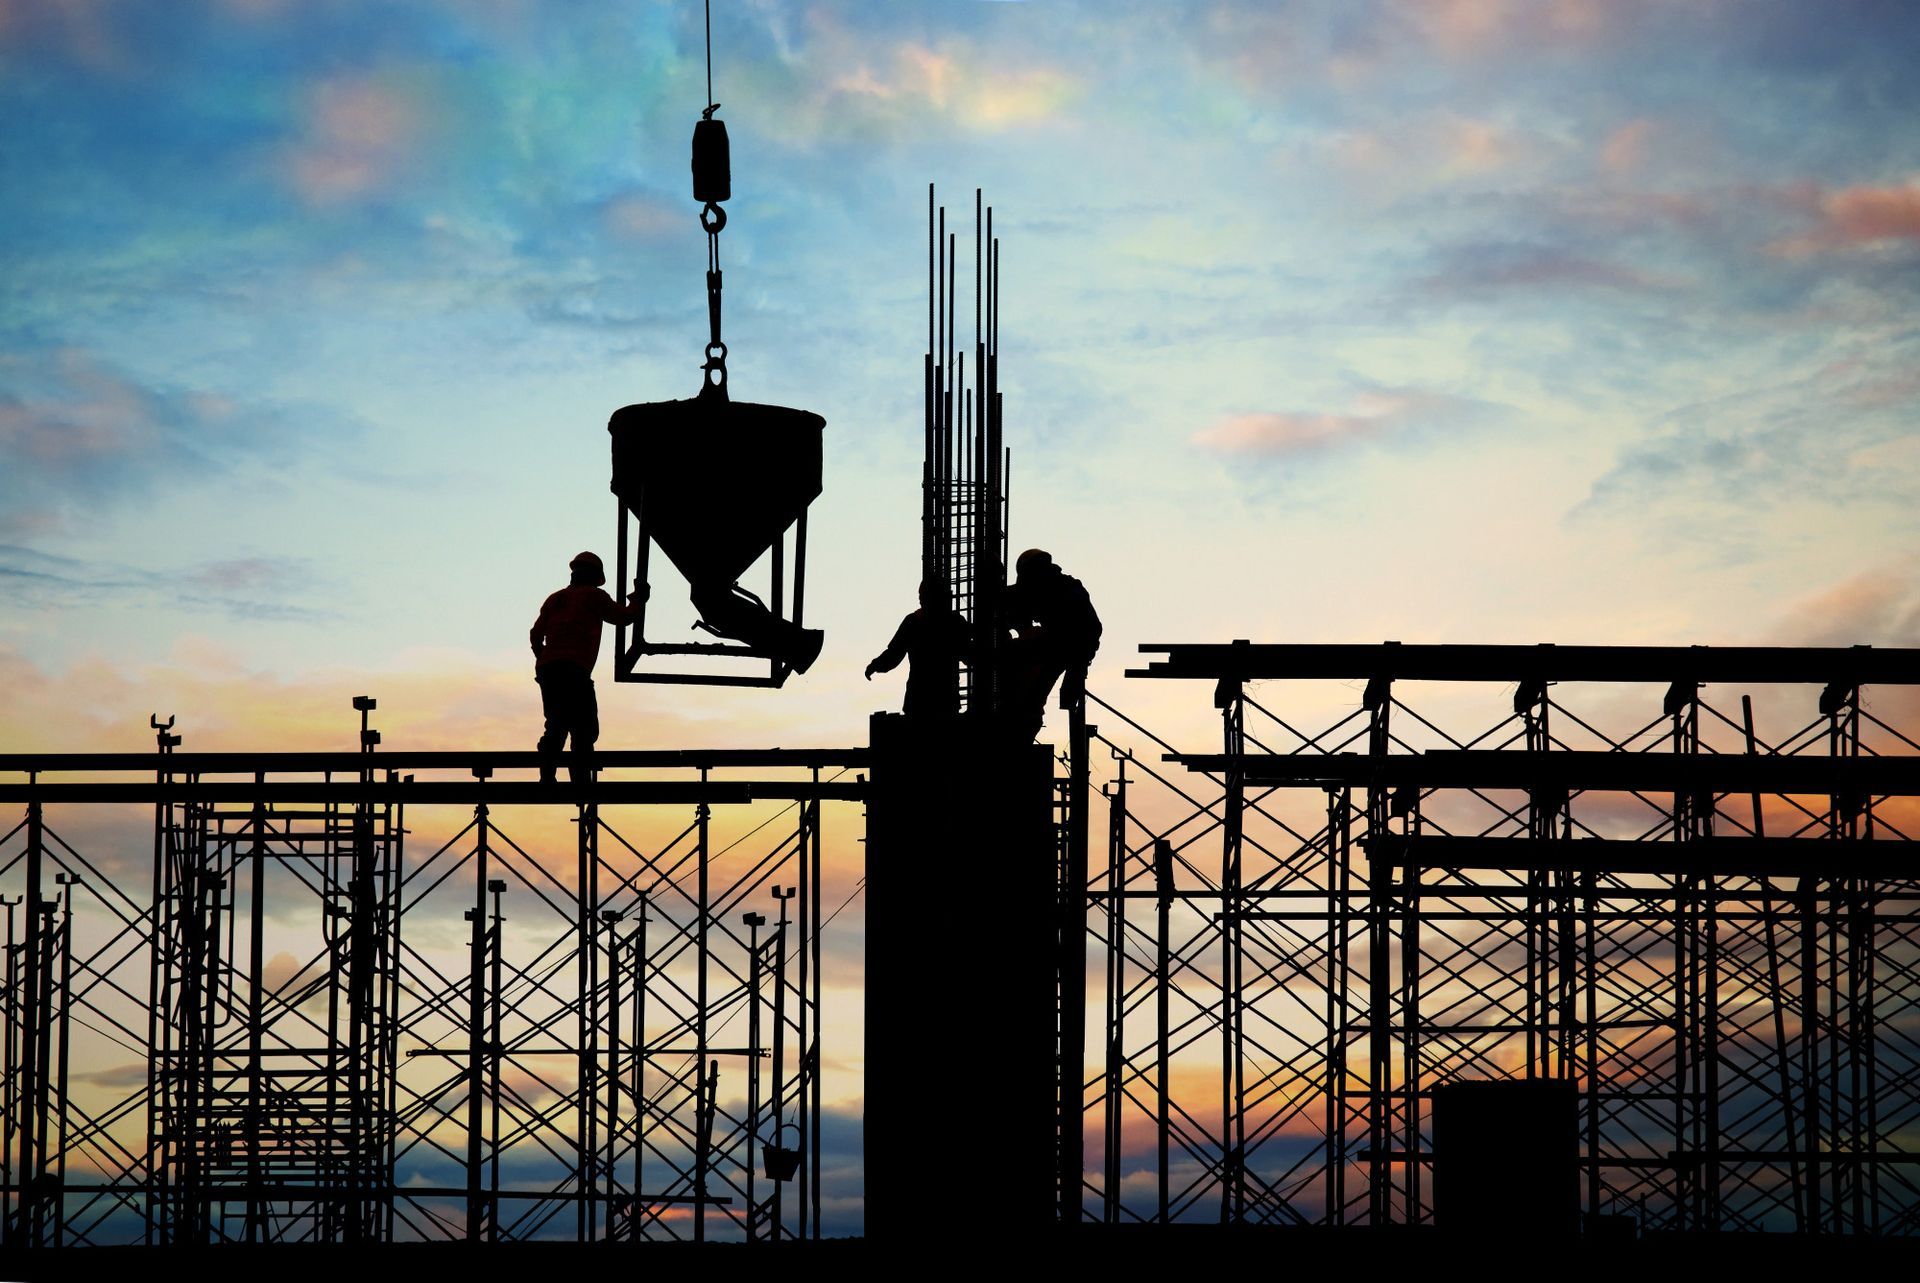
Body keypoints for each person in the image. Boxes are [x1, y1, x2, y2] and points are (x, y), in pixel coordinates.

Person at [530, 551, 645, 783]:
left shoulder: (555, 599)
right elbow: (623, 617)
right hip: (574, 670)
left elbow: (535, 635)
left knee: (556, 723)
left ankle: (547, 777)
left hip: (549, 670)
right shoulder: (594, 597)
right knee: (584, 727)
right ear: (595, 576)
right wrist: (639, 599)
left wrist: (545, 658)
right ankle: (580, 783)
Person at [1000, 548, 1102, 742]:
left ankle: (1020, 734)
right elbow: (1019, 598)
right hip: (1067, 647)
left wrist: (1078, 669)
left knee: (1031, 697)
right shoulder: (1054, 585)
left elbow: (1086, 633)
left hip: (1069, 647)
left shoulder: (1060, 592)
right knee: (1031, 694)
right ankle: (1021, 729)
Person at [865, 579, 973, 720]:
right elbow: (968, 656)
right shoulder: (953, 622)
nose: (921, 599)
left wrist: (875, 665)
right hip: (943, 701)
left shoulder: (913, 622)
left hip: (920, 701)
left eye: (923, 596)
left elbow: (894, 653)